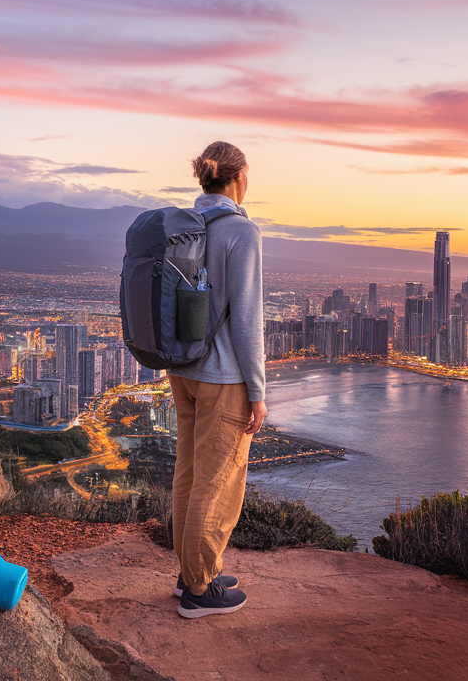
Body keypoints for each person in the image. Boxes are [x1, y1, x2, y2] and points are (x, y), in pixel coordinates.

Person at [166, 140, 265, 619]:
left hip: (182, 369)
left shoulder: (183, 226)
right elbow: (247, 318)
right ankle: (199, 590)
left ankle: (191, 571)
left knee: (188, 475)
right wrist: (258, 392)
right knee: (218, 482)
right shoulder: (240, 232)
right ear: (238, 178)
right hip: (223, 376)